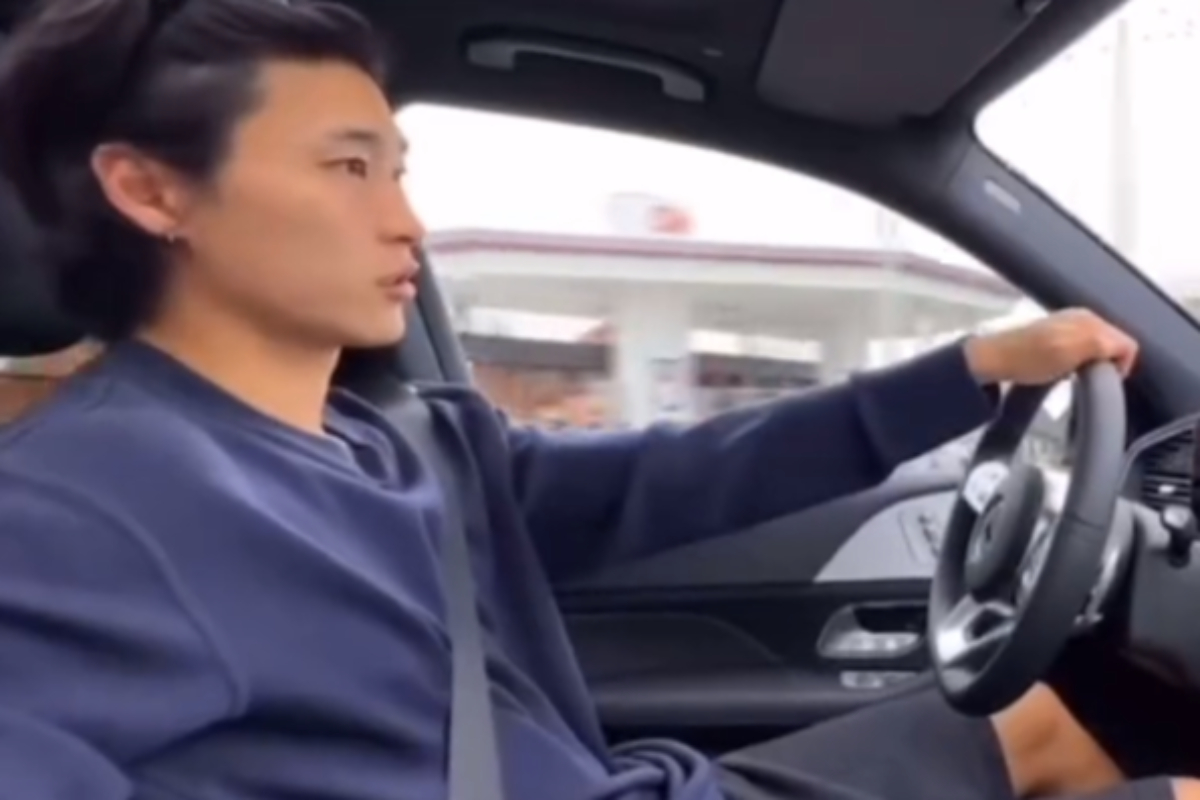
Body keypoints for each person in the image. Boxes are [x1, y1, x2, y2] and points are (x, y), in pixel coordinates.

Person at [0, 1, 1181, 800]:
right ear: (150, 189)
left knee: (1044, 723)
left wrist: (966, 373)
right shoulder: (79, 513)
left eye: (398, 171)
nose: (405, 220)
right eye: (347, 167)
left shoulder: (404, 435)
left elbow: (680, 476)